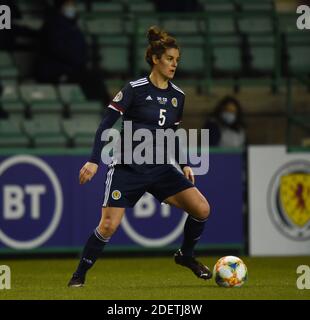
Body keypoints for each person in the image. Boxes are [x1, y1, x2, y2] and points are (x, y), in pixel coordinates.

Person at [67, 26, 212, 287]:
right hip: (128, 168)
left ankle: (186, 256)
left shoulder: (178, 97)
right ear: (155, 59)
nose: (174, 65)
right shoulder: (135, 88)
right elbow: (106, 124)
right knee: (108, 226)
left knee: (202, 208)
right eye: (169, 59)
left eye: (177, 60)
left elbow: (172, 133)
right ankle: (79, 275)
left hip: (160, 169)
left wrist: (185, 163)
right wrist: (93, 160)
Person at [34, 0, 110, 104]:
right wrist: (78, 61)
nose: (72, 7)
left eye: (73, 5)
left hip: (73, 69)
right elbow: (58, 50)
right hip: (56, 71)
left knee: (95, 77)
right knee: (92, 79)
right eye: (68, 5)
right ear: (60, 7)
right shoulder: (53, 25)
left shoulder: (72, 25)